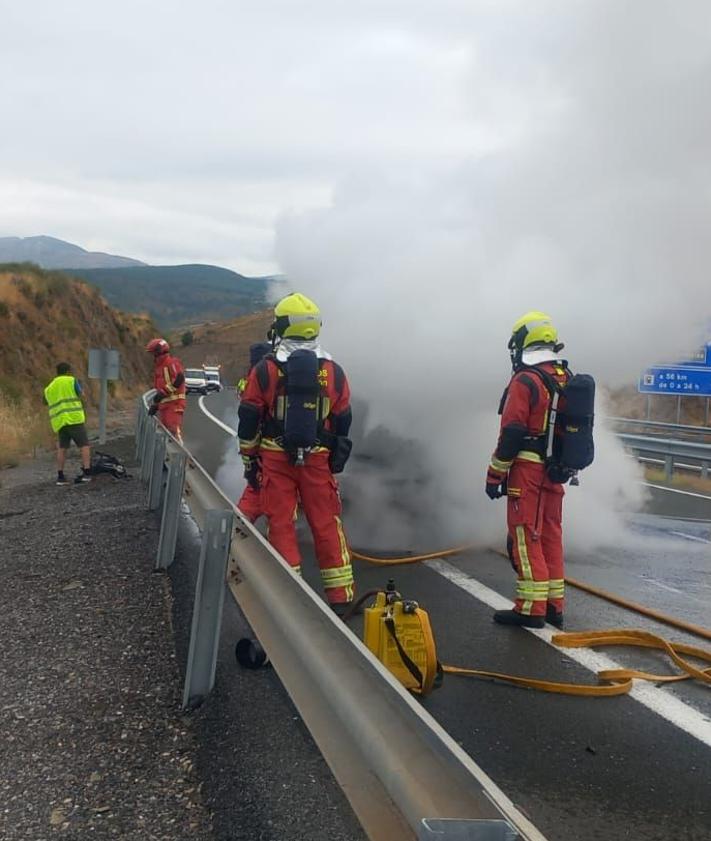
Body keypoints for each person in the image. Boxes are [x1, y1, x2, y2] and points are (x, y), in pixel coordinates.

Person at [237, 293, 354, 615]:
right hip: (318, 462)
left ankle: (290, 597)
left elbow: (248, 418)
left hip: (276, 460)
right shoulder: (334, 372)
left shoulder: (266, 370)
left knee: (282, 525)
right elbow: (344, 418)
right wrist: (332, 456)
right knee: (326, 524)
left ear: (281, 326)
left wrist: (249, 458)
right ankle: (341, 597)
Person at [486, 311, 570, 629]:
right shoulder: (564, 376)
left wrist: (495, 474)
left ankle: (530, 609)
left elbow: (512, 432)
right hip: (555, 470)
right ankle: (553, 605)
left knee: (525, 534)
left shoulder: (526, 379)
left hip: (528, 470)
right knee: (550, 533)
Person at [235, 341, 273, 523]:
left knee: (258, 489)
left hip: (264, 449)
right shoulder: (267, 376)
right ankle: (236, 535)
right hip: (271, 448)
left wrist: (249, 461)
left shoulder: (254, 377)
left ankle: (235, 534)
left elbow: (248, 421)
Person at [44, 362, 92, 485]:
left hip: (60, 422)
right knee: (84, 446)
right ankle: (87, 473)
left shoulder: (50, 387)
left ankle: (60, 477)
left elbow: (45, 401)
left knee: (62, 448)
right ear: (68, 371)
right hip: (74, 419)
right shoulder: (72, 381)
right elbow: (82, 395)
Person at [145, 338, 186, 442]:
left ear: (159, 352)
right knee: (165, 437)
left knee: (173, 435)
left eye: (154, 353)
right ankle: (167, 458)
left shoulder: (171, 362)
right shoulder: (159, 367)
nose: (153, 357)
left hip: (174, 405)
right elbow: (160, 391)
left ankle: (180, 457)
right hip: (164, 407)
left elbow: (179, 378)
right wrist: (156, 405)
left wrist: (164, 392)